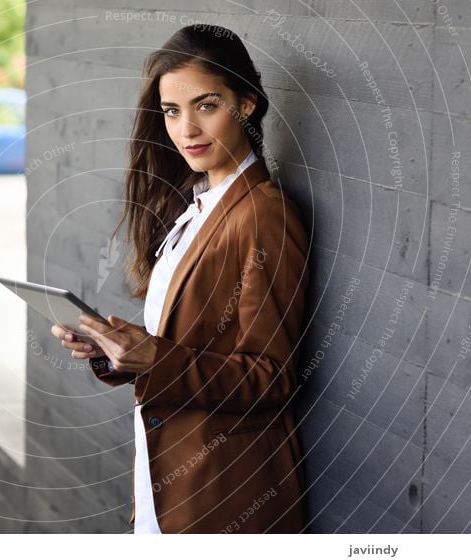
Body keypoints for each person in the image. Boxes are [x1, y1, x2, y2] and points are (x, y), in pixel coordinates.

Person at [51, 24, 310, 534]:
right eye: (172, 111)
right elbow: (186, 347)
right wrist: (115, 349)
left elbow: (272, 377)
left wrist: (157, 358)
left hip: (222, 494)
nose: (186, 128)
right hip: (162, 483)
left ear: (247, 105)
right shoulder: (195, 205)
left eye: (206, 105)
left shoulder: (263, 214)